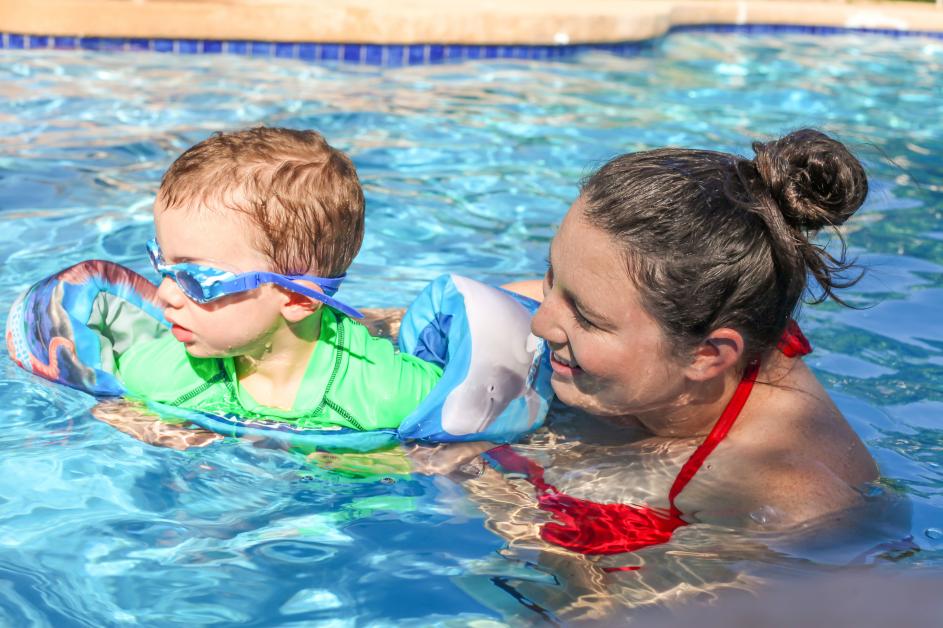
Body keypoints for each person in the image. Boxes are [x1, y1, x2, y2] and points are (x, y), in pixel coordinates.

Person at [499, 128, 879, 535]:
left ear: (707, 355)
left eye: (588, 318)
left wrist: (489, 488)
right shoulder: (715, 303)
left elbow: (616, 599)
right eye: (552, 276)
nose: (541, 321)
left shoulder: (786, 504)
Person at [100, 127, 443, 441]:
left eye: (195, 278)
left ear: (295, 298)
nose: (164, 294)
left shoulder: (388, 393)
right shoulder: (158, 374)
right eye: (163, 266)